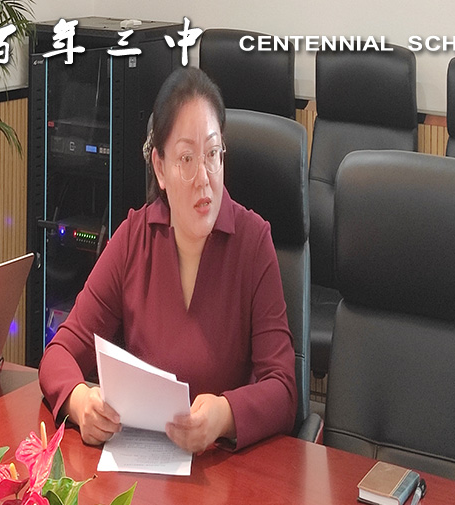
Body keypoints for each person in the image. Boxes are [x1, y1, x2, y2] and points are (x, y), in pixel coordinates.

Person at [39, 67, 297, 453]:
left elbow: (284, 390)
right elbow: (59, 352)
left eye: (212, 154)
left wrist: (224, 415)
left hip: (221, 468)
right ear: (160, 168)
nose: (204, 177)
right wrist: (80, 402)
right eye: (186, 159)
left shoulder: (253, 243)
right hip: (140, 466)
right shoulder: (134, 239)